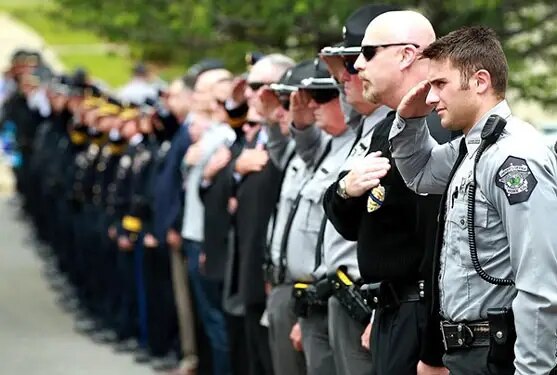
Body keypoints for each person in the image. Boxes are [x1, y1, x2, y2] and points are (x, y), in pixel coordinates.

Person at [389, 25, 557, 375]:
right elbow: (418, 174)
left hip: (498, 356)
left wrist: (532, 372)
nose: (431, 97)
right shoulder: (473, 149)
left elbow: (540, 281)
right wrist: (408, 118)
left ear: (480, 81)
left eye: (439, 85)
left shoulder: (514, 157)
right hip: (466, 354)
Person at [324, 8, 452, 375]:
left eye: (367, 53)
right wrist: (345, 191)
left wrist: (432, 350)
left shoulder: (436, 128)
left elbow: (439, 253)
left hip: (419, 316)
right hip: (391, 310)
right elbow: (359, 228)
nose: (356, 66)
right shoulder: (388, 129)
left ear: (407, 55)